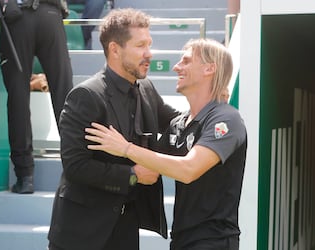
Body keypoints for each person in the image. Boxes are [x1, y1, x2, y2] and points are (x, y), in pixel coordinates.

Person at [85, 38, 247, 250]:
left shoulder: (226, 119)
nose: (176, 66)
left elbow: (188, 169)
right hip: (181, 240)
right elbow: (148, 171)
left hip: (214, 241)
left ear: (209, 68)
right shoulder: (179, 124)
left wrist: (125, 148)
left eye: (186, 61)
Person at [47, 8, 178, 250]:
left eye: (149, 44)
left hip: (126, 229)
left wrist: (213, 108)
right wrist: (133, 175)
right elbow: (76, 166)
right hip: (80, 234)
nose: (149, 53)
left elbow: (176, 123)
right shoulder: (86, 95)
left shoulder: (146, 88)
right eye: (140, 45)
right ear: (115, 49)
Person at [0, 0, 73, 194]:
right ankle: (77, 169)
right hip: (51, 13)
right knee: (64, 95)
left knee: (18, 98)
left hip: (18, 16)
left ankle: (25, 177)